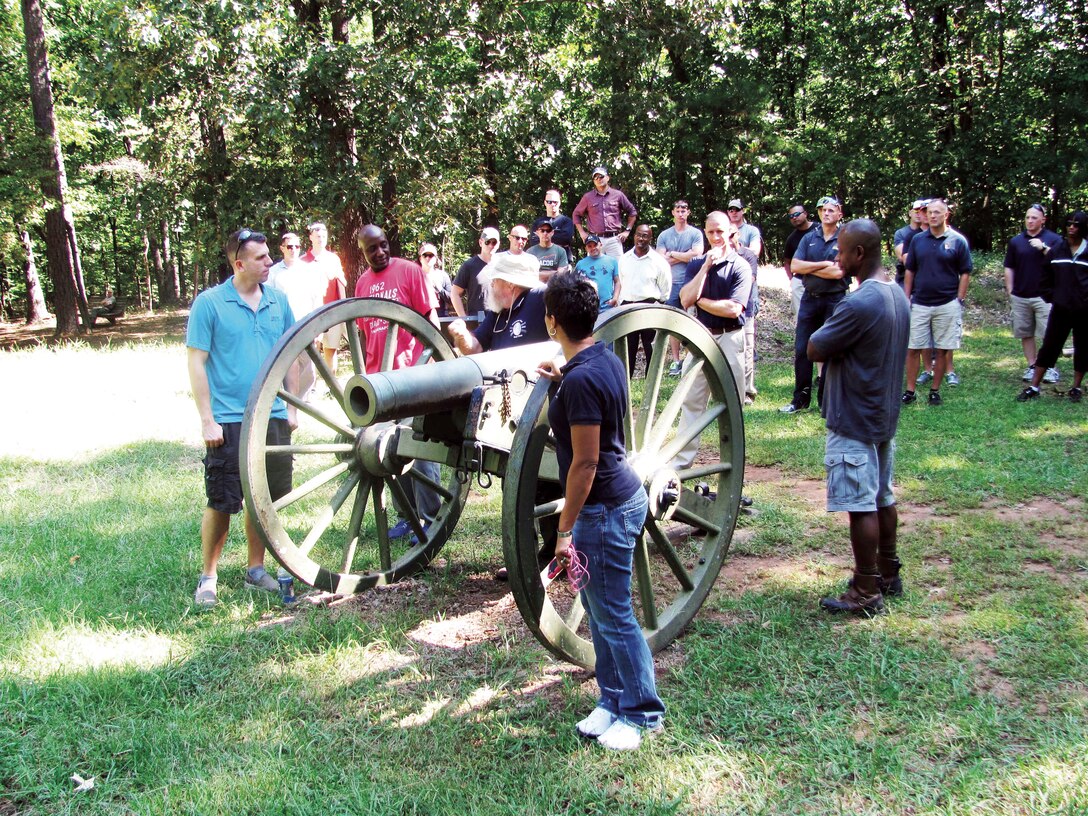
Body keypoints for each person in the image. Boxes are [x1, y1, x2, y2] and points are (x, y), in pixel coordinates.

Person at [537, 273, 665, 750]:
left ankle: (642, 712)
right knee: (598, 609)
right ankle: (613, 700)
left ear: (552, 322)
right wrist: (560, 380)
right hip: (608, 502)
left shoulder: (584, 378)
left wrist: (564, 531)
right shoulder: (598, 359)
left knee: (613, 614)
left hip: (605, 508)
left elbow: (586, 463)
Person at [187, 228, 298, 609]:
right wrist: (207, 419)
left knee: (265, 497)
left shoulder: (279, 301)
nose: (270, 262)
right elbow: (196, 362)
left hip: (274, 413)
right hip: (230, 418)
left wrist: (292, 408)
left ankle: (256, 569)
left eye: (269, 256)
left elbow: (292, 356)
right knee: (222, 499)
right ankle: (209, 577)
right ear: (239, 264)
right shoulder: (210, 304)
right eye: (261, 258)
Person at [808, 220, 911, 615]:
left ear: (860, 255)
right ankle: (888, 570)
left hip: (853, 415)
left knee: (861, 505)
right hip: (883, 415)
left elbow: (816, 347)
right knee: (883, 497)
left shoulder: (859, 302)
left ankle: (866, 588)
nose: (837, 256)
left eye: (842, 251)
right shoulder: (898, 295)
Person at [354, 224, 441, 542]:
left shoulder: (410, 271)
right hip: (381, 379)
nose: (379, 252)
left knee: (419, 446)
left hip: (412, 373)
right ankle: (406, 516)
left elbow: (430, 320)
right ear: (363, 253)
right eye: (372, 249)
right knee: (390, 448)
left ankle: (430, 518)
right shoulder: (363, 283)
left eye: (383, 245)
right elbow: (363, 334)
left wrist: (434, 364)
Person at [669, 212, 752, 472]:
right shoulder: (697, 265)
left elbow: (734, 309)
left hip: (729, 337)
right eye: (711, 232)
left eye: (720, 232)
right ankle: (681, 466)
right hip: (702, 336)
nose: (716, 237)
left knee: (732, 405)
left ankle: (733, 466)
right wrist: (705, 267)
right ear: (705, 233)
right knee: (691, 401)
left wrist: (701, 301)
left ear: (730, 232)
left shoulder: (740, 266)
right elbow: (684, 299)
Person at [780, 196, 848, 414]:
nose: (826, 213)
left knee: (829, 349)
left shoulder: (846, 238)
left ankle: (825, 401)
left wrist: (813, 268)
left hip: (834, 300)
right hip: (810, 298)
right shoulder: (809, 237)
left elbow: (839, 271)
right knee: (802, 349)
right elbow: (796, 266)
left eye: (830, 210)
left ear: (839, 214)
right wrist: (823, 265)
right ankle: (800, 399)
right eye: (822, 210)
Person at [903, 199, 972, 406]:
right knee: (913, 347)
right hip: (921, 303)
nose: (932, 216)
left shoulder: (958, 241)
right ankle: (910, 390)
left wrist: (959, 299)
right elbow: (910, 270)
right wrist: (907, 297)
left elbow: (966, 271)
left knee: (942, 349)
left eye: (936, 212)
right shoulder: (918, 240)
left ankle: (935, 390)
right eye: (929, 212)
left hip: (947, 303)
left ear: (946, 215)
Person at [1017, 210, 1088, 403]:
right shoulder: (1058, 250)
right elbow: (1045, 276)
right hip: (1061, 308)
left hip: (1084, 311)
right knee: (1050, 346)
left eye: (1076, 224)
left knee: (1083, 348)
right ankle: (1034, 386)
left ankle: (1076, 387)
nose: (1072, 227)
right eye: (1069, 224)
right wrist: (1052, 297)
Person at [1004, 204, 1063, 384]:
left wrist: (1044, 248)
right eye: (1028, 217)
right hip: (1021, 295)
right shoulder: (1016, 241)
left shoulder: (1054, 240)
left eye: (1034, 218)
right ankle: (1032, 365)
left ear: (1043, 220)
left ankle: (1050, 368)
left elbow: (1061, 265)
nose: (1030, 221)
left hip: (1045, 296)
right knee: (1026, 332)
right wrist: (1010, 290)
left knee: (1049, 334)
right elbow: (1009, 266)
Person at [447, 252, 550, 355]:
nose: (491, 284)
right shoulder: (498, 311)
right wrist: (461, 335)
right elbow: (475, 348)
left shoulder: (540, 298)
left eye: (495, 280)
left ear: (510, 284)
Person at [268, 231, 325, 400]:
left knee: (308, 365)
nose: (294, 250)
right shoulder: (273, 273)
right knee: (283, 364)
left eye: (297, 246)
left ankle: (303, 400)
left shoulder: (309, 271)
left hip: (305, 324)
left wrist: (319, 328)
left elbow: (317, 299)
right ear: (282, 248)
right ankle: (285, 398)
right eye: (290, 246)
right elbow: (268, 299)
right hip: (282, 326)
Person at [657, 200, 705, 376]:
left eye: (684, 210)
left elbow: (697, 254)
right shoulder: (664, 235)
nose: (681, 213)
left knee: (690, 322)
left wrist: (673, 254)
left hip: (691, 283)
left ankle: (689, 359)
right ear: (673, 213)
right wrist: (686, 255)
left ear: (688, 212)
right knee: (673, 324)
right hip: (671, 284)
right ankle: (676, 362)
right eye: (678, 210)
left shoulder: (696, 233)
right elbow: (661, 259)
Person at [618, 224, 671, 377]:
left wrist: (657, 304)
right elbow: (622, 281)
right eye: (639, 235)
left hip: (650, 305)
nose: (641, 238)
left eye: (645, 236)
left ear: (650, 238)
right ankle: (625, 381)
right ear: (634, 236)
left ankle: (651, 380)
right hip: (628, 306)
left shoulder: (658, 261)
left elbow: (665, 289)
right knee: (629, 348)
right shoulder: (624, 259)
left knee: (651, 347)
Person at [895, 200, 935, 386]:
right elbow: (905, 260)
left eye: (924, 210)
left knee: (931, 327)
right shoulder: (904, 235)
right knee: (910, 327)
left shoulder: (935, 233)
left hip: (930, 284)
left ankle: (931, 366)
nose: (921, 214)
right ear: (911, 212)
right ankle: (909, 366)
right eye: (917, 210)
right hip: (907, 283)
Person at [301, 221, 347, 373]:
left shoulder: (333, 259)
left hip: (331, 310)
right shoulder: (302, 262)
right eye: (318, 236)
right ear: (311, 238)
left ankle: (331, 384)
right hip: (311, 313)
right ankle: (312, 386)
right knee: (313, 350)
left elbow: (341, 283)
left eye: (324, 236)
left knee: (330, 349)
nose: (321, 239)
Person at [572, 166, 638, 259]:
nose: (598, 179)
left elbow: (632, 212)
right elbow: (576, 214)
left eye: (601, 176)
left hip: (614, 240)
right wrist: (582, 233)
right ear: (593, 181)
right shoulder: (588, 197)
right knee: (594, 269)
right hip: (595, 241)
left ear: (607, 178)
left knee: (618, 269)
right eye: (595, 177)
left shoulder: (618, 195)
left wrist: (627, 230)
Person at [452, 227, 500, 318]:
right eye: (487, 242)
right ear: (480, 242)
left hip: (500, 321)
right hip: (477, 322)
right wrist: (464, 319)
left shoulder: (503, 265)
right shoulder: (469, 266)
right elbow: (455, 293)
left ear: (498, 244)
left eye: (494, 242)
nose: (491, 245)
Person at [783, 203, 815, 320]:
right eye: (791, 216)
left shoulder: (819, 229)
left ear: (805, 214)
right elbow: (787, 262)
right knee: (801, 318)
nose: (794, 217)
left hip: (823, 281)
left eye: (796, 214)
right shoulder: (791, 239)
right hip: (801, 282)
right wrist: (792, 280)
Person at [575, 235, 621, 312]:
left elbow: (617, 282)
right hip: (589, 307)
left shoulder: (612, 261)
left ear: (600, 245)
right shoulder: (580, 264)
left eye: (595, 245)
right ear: (586, 248)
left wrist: (615, 298)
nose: (593, 248)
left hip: (608, 306)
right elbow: (575, 285)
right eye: (589, 246)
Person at [529, 189, 575, 262]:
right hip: (541, 261)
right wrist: (557, 235)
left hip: (563, 261)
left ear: (559, 203)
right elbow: (533, 241)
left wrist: (543, 238)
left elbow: (566, 239)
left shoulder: (567, 221)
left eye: (555, 202)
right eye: (549, 202)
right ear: (545, 203)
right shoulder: (537, 222)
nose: (552, 204)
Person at [419, 242, 453, 318]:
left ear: (435, 258)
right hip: (420, 318)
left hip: (441, 317)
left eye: (430, 255)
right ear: (420, 258)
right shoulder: (414, 276)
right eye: (425, 255)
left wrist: (439, 289)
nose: (427, 258)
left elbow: (452, 299)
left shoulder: (443, 276)